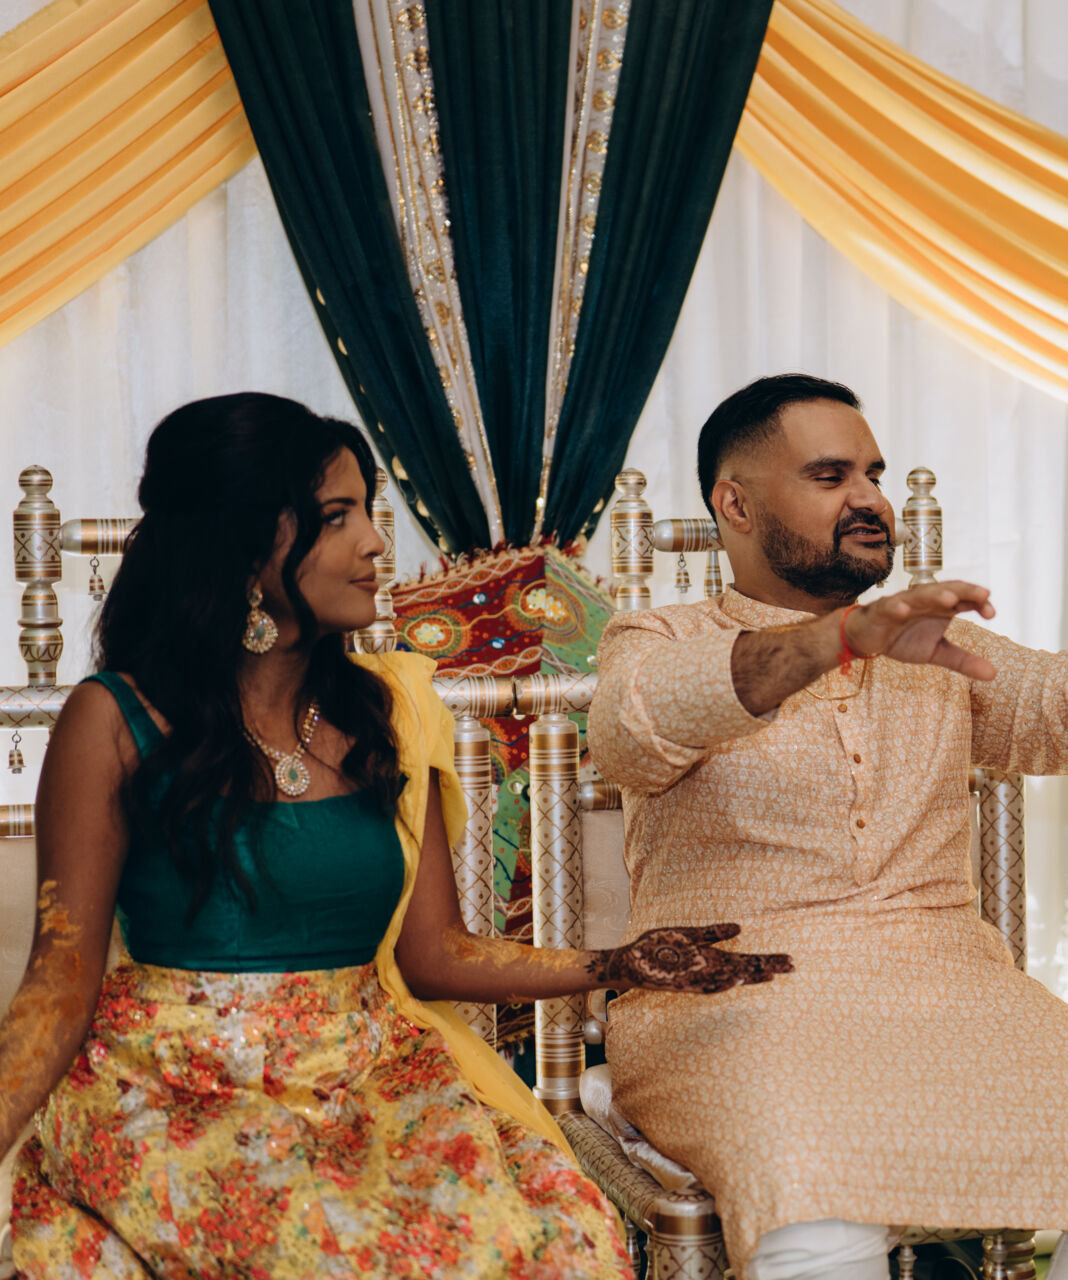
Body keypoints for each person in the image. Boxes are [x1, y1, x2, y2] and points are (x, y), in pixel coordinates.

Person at [0, 394, 791, 1279]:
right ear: (245, 545)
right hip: (177, 1088)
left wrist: (620, 963)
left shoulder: (383, 714)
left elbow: (435, 953)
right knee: (328, 1250)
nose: (377, 543)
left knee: (553, 1237)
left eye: (368, 512)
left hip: (369, 1082)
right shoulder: (114, 720)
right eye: (339, 516)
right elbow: (57, 987)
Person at [587, 374, 1068, 1280]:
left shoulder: (923, 644)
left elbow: (1058, 712)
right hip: (732, 997)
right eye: (830, 476)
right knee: (813, 1195)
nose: (870, 500)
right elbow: (636, 728)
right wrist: (841, 639)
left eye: (874, 475)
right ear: (734, 505)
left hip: (951, 991)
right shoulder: (657, 638)